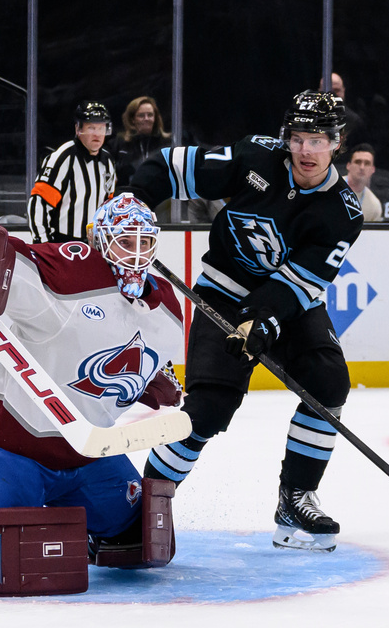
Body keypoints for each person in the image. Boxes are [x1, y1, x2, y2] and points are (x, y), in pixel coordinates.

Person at [128, 90, 364, 552]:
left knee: (328, 381)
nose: (306, 151)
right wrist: (137, 203)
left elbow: (298, 286)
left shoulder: (342, 212)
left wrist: (262, 323)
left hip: (287, 304)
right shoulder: (256, 157)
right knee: (208, 410)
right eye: (298, 139)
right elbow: (168, 167)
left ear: (337, 143)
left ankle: (295, 498)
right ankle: (146, 505)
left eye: (318, 140)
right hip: (224, 293)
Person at [0, 194, 185, 561]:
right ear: (98, 241)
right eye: (124, 242)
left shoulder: (166, 309)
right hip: (5, 449)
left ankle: (83, 527)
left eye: (144, 242)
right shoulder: (70, 276)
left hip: (85, 457)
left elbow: (108, 364)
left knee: (144, 546)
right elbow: (5, 261)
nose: (135, 254)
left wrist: (147, 383)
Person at [28, 101, 116, 243]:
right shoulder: (63, 158)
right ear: (78, 129)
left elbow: (108, 206)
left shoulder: (108, 161)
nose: (97, 134)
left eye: (101, 128)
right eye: (91, 128)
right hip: (63, 243)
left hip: (96, 244)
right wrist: (43, 245)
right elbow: (39, 203)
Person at [110, 96, 171, 188]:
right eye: (141, 115)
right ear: (132, 119)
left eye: (150, 115)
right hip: (127, 196)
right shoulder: (119, 143)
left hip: (160, 196)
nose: (146, 118)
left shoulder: (167, 143)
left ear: (155, 118)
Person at [343, 143, 382, 222]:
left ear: (372, 169)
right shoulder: (332, 188)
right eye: (358, 162)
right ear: (348, 165)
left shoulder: (374, 205)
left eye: (367, 163)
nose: (362, 167)